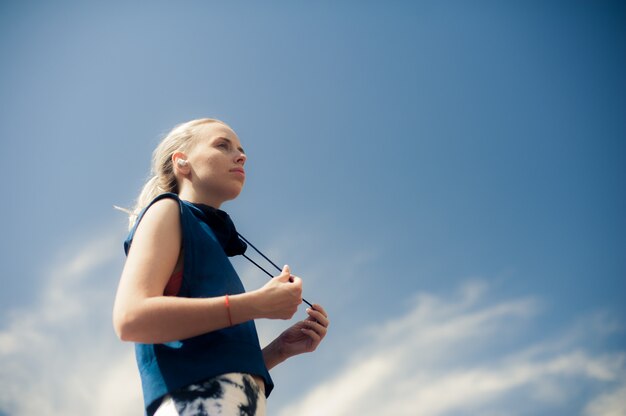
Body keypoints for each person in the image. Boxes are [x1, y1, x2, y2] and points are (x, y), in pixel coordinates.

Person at [113, 118, 329, 416]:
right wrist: (256, 304)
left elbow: (209, 365)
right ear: (182, 162)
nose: (241, 156)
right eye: (222, 145)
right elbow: (130, 318)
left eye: (241, 150)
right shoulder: (166, 210)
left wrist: (279, 350)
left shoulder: (205, 235)